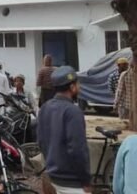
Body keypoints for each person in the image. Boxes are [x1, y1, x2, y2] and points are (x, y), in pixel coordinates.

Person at [37, 66, 91, 194]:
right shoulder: (73, 112)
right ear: (72, 87)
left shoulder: (45, 108)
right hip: (73, 183)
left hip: (54, 177)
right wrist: (86, 181)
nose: (80, 87)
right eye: (78, 84)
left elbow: (41, 142)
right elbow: (78, 150)